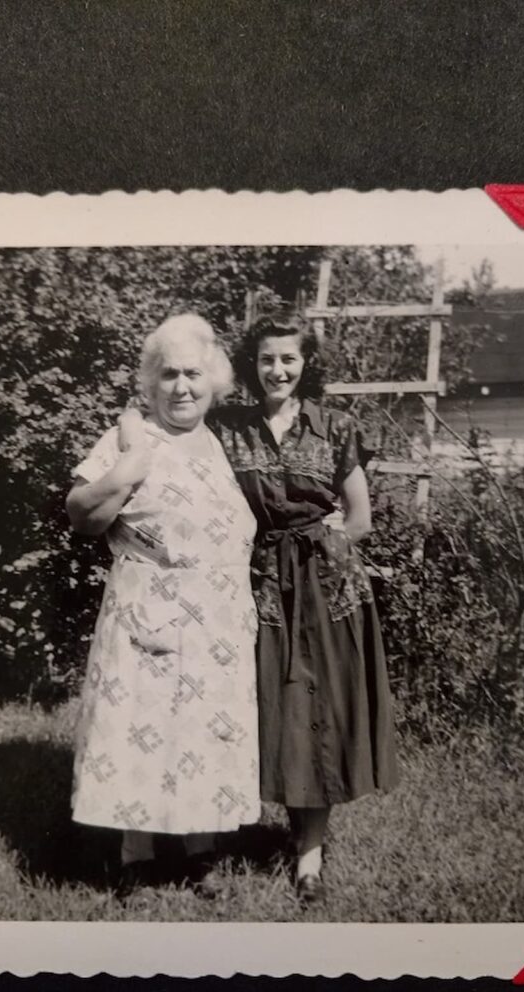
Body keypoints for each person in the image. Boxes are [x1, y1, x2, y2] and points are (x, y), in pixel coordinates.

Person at [66, 313, 260, 893]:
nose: (182, 386)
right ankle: (135, 855)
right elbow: (81, 515)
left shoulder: (223, 443)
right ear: (151, 383)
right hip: (147, 603)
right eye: (169, 374)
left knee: (204, 729)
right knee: (139, 723)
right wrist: (127, 469)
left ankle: (201, 849)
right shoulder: (131, 436)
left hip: (218, 614)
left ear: (215, 382)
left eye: (194, 374)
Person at [210, 313, 400, 903]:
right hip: (260, 582)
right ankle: (208, 840)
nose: (278, 370)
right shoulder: (228, 428)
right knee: (267, 706)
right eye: (267, 358)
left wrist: (326, 551)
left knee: (318, 713)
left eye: (289, 358)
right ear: (253, 363)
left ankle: (309, 861)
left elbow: (361, 517)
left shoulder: (335, 426)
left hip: (327, 589)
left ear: (305, 363)